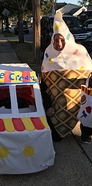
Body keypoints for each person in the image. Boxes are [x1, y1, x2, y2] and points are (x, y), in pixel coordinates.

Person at [41, 10, 92, 141]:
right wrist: (47, 107)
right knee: (55, 138)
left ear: (67, 40)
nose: (58, 44)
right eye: (56, 40)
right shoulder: (49, 55)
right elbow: (44, 86)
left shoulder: (81, 52)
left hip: (80, 102)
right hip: (59, 107)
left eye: (62, 40)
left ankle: (85, 131)